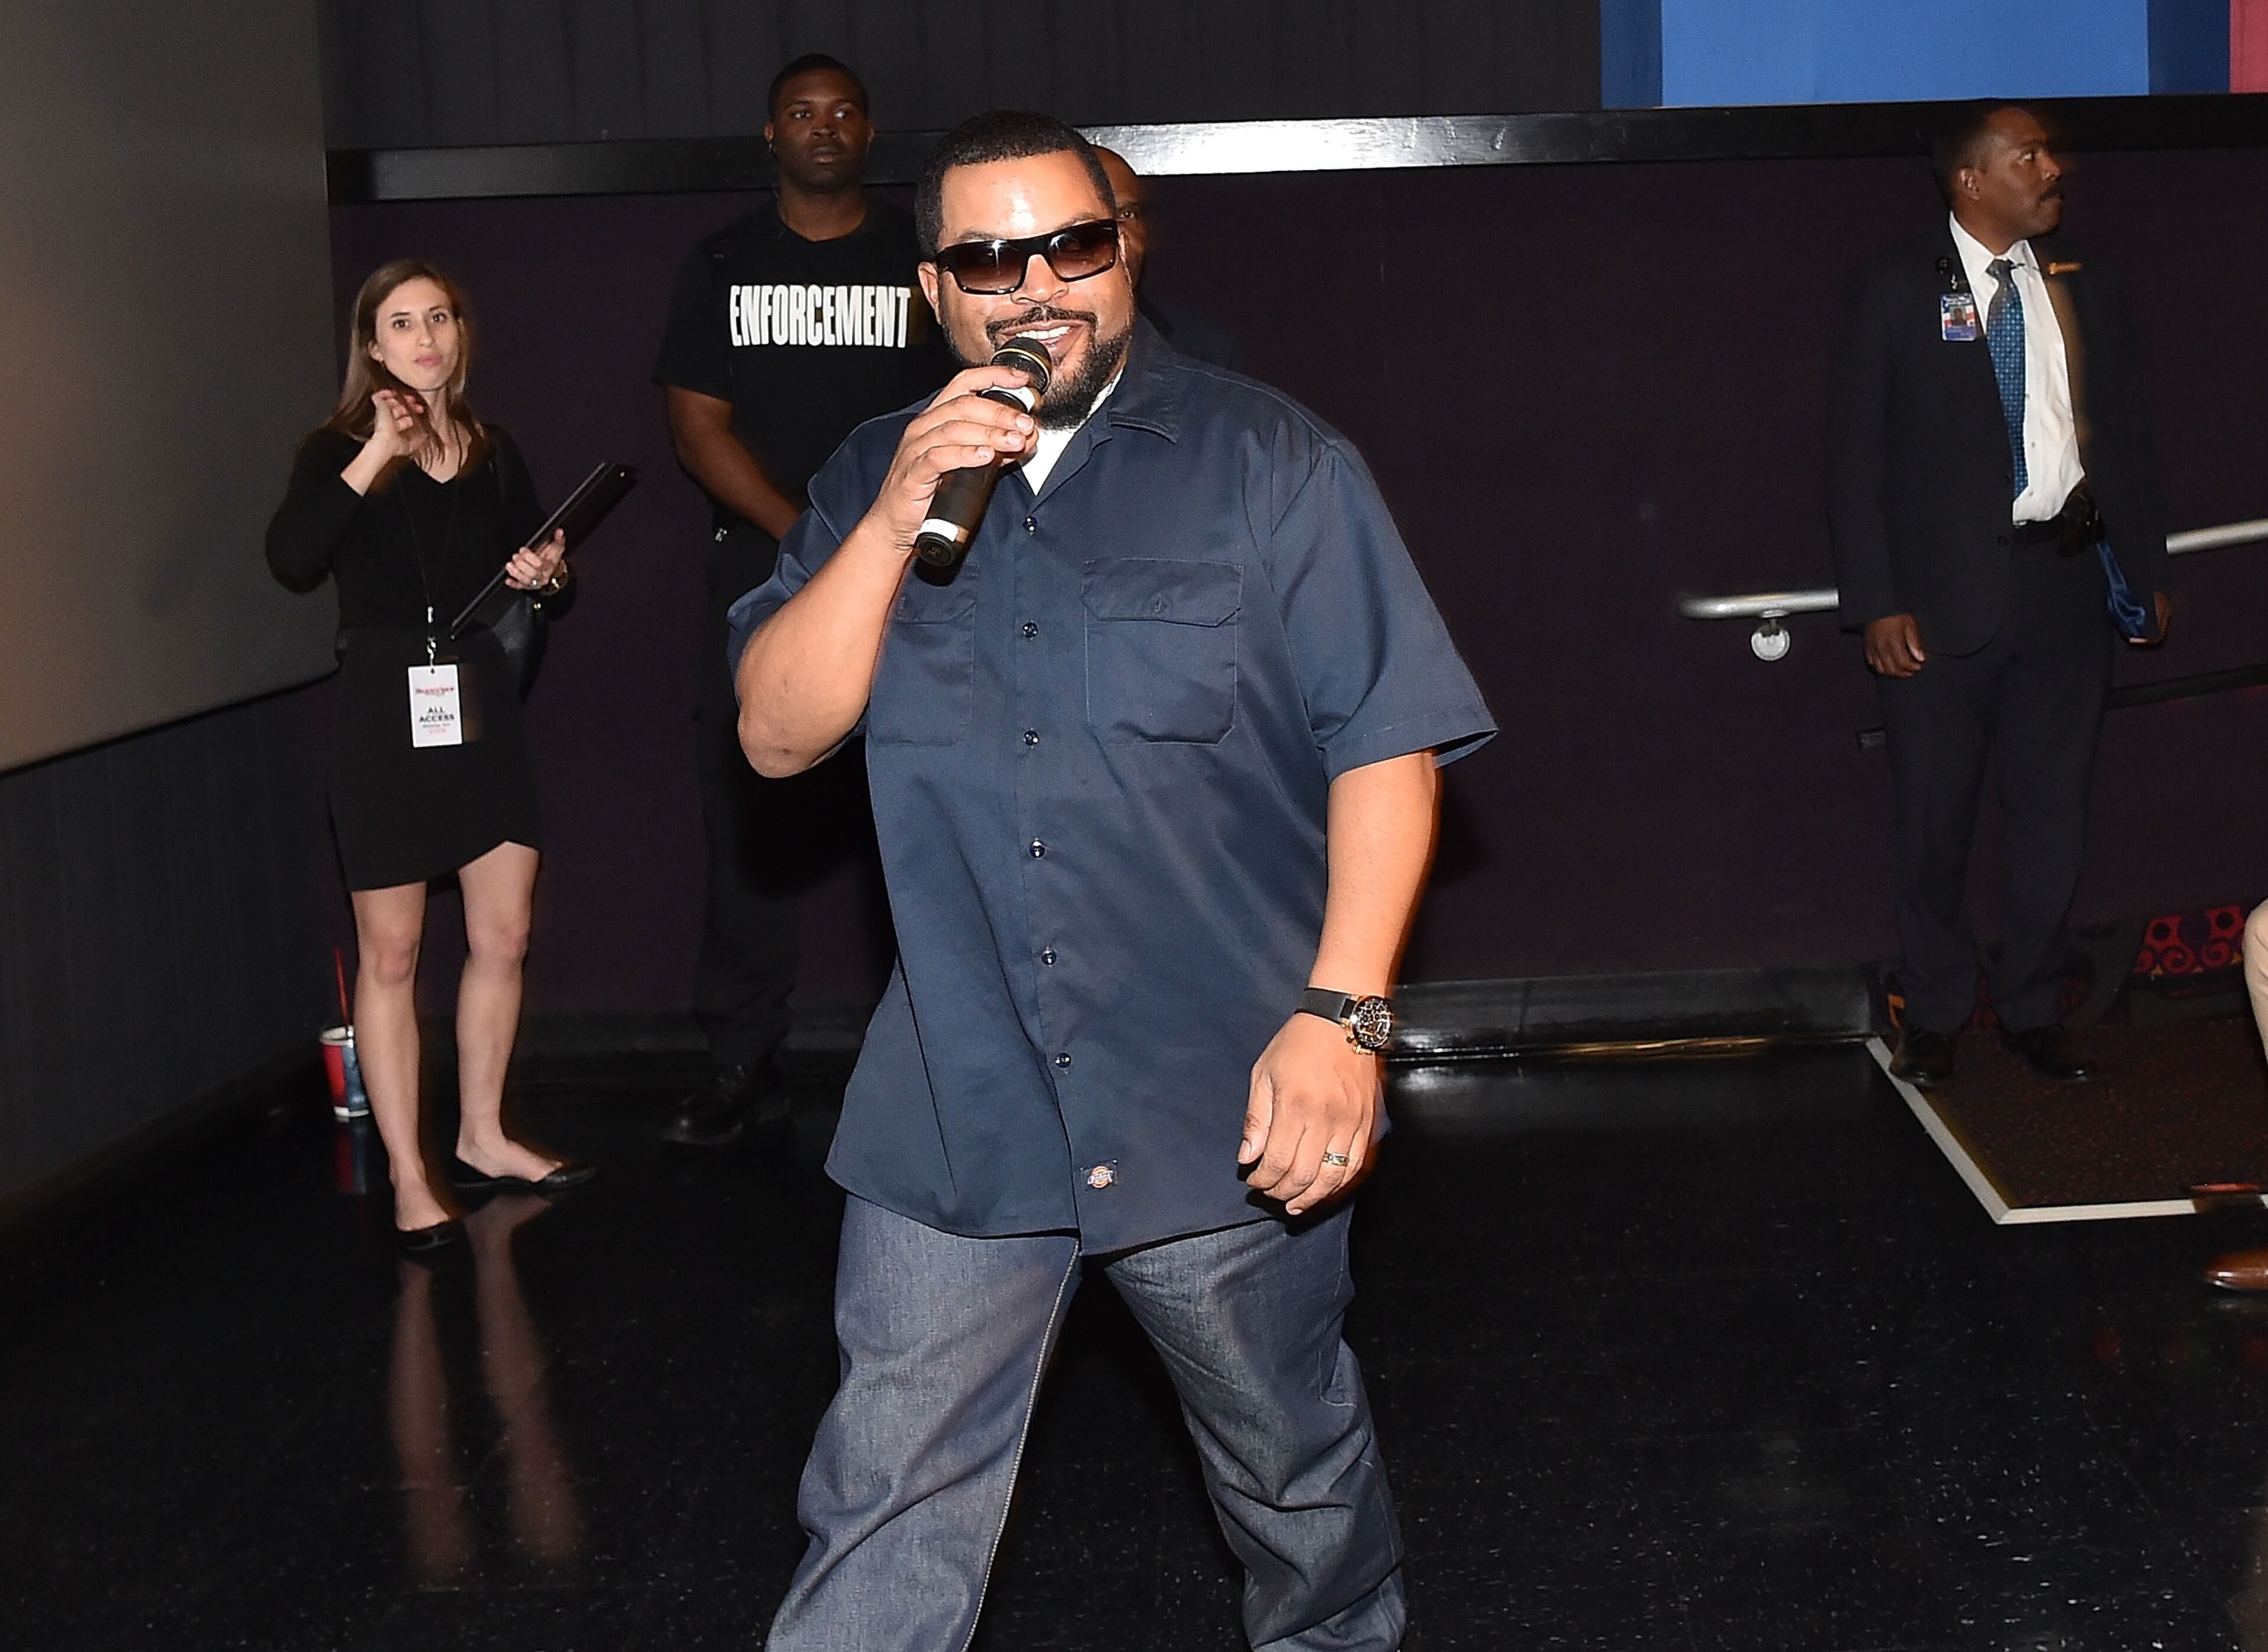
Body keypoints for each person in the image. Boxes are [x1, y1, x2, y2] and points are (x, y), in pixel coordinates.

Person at [731, 110, 1494, 1650]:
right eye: (992, 258)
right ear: (934, 290)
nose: (1039, 287)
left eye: (1074, 245)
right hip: (958, 1092)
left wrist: (1343, 1015)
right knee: (880, 1505)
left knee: (1291, 1473)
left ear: (1123, 252)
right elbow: (775, 731)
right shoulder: (875, 476)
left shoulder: (1274, 463)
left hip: (1216, 1095)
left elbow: (1388, 748)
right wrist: (886, 525)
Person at [1827, 102, 2169, 1089]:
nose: (2054, 168)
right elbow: (1851, 464)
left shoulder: (2080, 282)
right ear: (1971, 180)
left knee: (2054, 812)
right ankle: (1933, 1011)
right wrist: (1877, 602)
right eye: (2030, 156)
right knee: (1937, 817)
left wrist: (2147, 572)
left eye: (2051, 152)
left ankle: (2031, 1008)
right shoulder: (1894, 288)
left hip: (2065, 588)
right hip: (1938, 607)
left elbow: (2127, 439)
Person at [651, 53, 949, 1147]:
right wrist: (818, 546)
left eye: (844, 113)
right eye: (801, 113)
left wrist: (880, 551)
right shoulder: (722, 262)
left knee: (926, 809)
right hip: (768, 569)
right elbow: (696, 429)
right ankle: (741, 1058)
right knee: (748, 822)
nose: (823, 128)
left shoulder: (918, 263)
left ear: (870, 135)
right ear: (769, 135)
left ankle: (943, 1058)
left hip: (924, 574)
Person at [267, 260, 588, 1252]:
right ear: (372, 346)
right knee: (394, 952)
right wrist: (376, 451)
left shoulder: (495, 451)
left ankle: (483, 1135)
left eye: (439, 317)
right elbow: (293, 557)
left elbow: (543, 579)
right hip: (383, 709)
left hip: (481, 703)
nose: (425, 338)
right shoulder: (334, 448)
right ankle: (409, 1171)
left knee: (503, 937)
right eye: (401, 323)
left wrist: (547, 573)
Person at [1093, 143, 1244, 370]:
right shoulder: (1032, 343)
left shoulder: (1202, 352)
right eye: (1095, 220)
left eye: (1127, 214)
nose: (1119, 236)